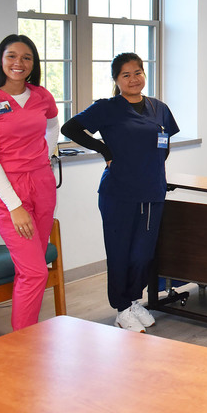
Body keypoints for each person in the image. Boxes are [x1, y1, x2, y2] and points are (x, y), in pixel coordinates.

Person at [61, 52, 179, 333]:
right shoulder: (108, 108)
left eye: (137, 72)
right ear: (116, 80)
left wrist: (152, 170)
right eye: (125, 75)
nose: (133, 79)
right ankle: (122, 307)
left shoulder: (158, 108)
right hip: (118, 193)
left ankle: (134, 299)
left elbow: (165, 143)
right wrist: (104, 150)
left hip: (151, 191)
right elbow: (70, 128)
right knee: (120, 253)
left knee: (143, 254)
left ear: (144, 74)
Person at [0, 34, 59, 331]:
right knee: (35, 272)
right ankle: (24, 343)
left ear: (33, 64)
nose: (18, 63)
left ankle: (28, 338)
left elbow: (52, 124)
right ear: (1, 59)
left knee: (30, 270)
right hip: (10, 190)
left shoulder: (41, 95)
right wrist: (15, 205)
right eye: (11, 56)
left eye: (26, 57)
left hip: (42, 184)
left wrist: (46, 153)